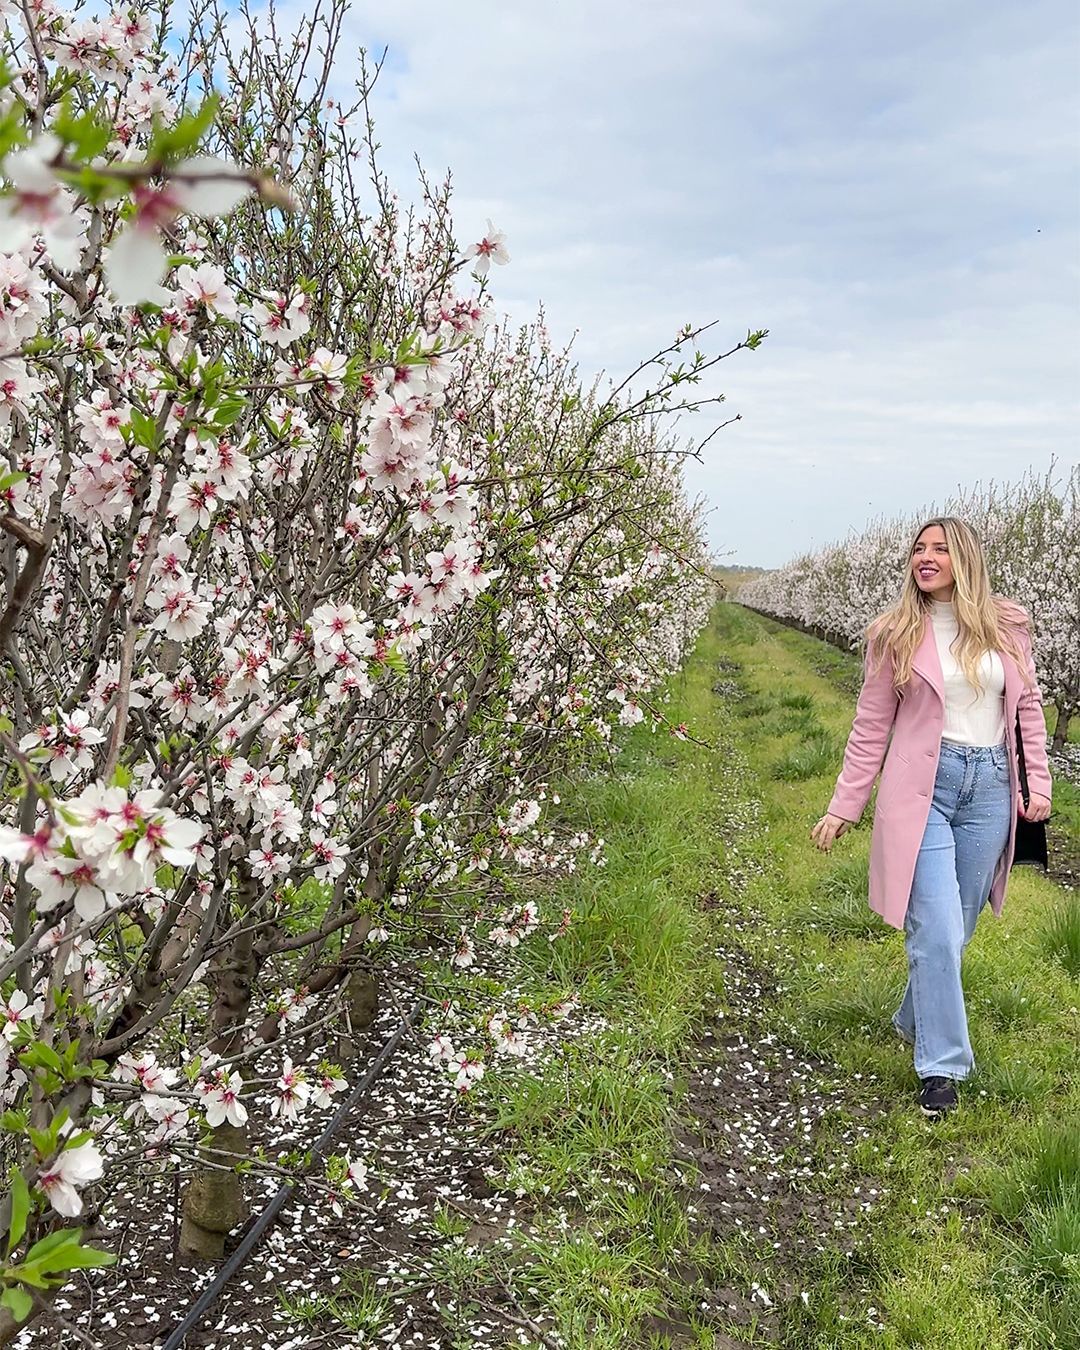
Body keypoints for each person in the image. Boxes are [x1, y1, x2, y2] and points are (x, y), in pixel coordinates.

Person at [810, 517, 1052, 1118]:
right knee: (937, 930)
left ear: (964, 558)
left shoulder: (1008, 626)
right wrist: (845, 804)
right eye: (919, 548)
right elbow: (871, 727)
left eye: (940, 549)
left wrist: (1038, 784)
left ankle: (912, 1015)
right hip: (924, 790)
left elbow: (1027, 709)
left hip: (991, 789)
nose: (926, 557)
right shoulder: (894, 633)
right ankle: (942, 1067)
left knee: (956, 929)